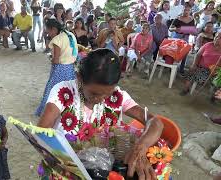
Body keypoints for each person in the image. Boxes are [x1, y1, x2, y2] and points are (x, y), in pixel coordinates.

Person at [37, 48, 164, 180]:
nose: (102, 99)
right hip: (66, 169)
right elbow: (41, 132)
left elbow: (155, 122)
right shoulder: (63, 92)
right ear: (79, 78)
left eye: (108, 93)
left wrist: (140, 147)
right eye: (94, 94)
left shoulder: (118, 97)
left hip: (102, 171)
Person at [35, 19, 78, 116]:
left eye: (48, 31)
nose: (48, 34)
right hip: (70, 68)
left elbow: (56, 60)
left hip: (60, 69)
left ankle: (46, 111)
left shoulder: (57, 40)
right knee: (68, 89)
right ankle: (66, 109)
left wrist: (51, 58)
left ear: (54, 29)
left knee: (52, 89)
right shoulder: (69, 34)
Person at [169, 3, 196, 74]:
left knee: (185, 53)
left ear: (190, 11)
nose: (186, 11)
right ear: (182, 10)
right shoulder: (178, 18)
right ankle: (170, 67)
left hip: (186, 38)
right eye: (185, 10)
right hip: (176, 37)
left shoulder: (192, 19)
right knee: (174, 52)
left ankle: (181, 69)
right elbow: (170, 28)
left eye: (188, 10)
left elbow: (193, 30)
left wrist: (189, 30)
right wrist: (175, 28)